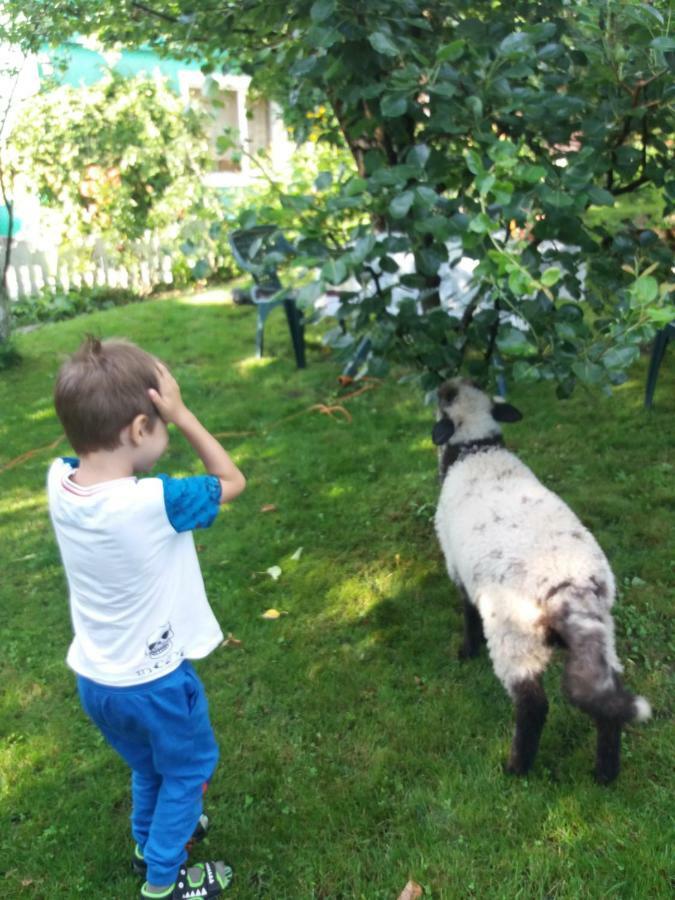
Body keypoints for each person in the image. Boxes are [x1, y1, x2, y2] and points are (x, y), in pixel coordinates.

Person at [47, 336, 246, 900]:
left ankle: (149, 839)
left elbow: (81, 456)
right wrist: (182, 416)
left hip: (97, 680)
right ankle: (163, 879)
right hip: (154, 682)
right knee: (187, 769)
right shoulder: (153, 501)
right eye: (157, 424)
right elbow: (232, 481)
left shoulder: (59, 485)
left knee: (150, 766)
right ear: (140, 429)